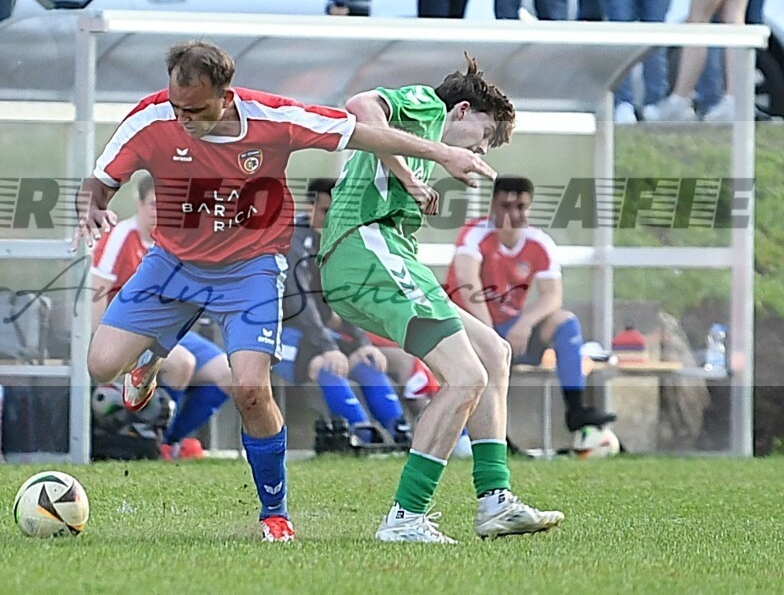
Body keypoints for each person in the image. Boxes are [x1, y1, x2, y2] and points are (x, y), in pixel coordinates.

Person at [74, 40, 496, 542]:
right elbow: (100, 179)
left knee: (251, 390)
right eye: (176, 106)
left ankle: (274, 514)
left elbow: (360, 132)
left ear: (226, 95)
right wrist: (93, 205)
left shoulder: (272, 117)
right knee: (101, 366)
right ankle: (150, 354)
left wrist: (443, 152)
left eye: (196, 110)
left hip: (250, 269)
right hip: (173, 263)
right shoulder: (153, 116)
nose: (182, 119)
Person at [319, 57, 564, 543]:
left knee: (494, 353)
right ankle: (405, 517)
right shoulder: (428, 106)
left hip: (380, 257)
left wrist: (413, 175)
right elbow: (360, 105)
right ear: (463, 110)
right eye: (485, 134)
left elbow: (383, 143)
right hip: (364, 251)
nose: (482, 148)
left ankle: (494, 500)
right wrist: (426, 165)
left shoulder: (418, 143)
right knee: (466, 376)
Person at [446, 175, 616, 433]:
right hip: (472, 328)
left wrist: (525, 323)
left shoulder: (540, 242)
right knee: (479, 362)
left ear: (529, 208)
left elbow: (552, 296)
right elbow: (466, 283)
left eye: (520, 207)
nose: (513, 214)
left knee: (565, 322)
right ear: (493, 206)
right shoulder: (475, 234)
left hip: (510, 329)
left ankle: (576, 409)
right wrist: (488, 334)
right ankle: (479, 433)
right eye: (505, 206)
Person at [90, 174, 232, 460]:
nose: (161, 212)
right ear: (139, 204)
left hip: (170, 333)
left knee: (231, 374)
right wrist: (100, 344)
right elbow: (95, 293)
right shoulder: (120, 237)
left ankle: (172, 442)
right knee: (182, 363)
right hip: (126, 333)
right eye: (155, 205)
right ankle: (156, 442)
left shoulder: (177, 241)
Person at [281, 178, 408, 444]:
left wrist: (362, 343)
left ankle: (400, 435)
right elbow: (299, 301)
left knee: (367, 361)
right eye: (327, 211)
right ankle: (364, 436)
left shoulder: (339, 241)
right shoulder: (292, 239)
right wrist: (327, 346)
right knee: (327, 365)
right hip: (277, 333)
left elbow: (347, 295)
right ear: (310, 207)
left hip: (315, 333)